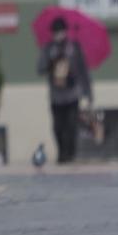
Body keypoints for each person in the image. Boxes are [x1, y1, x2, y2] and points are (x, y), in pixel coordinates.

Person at [38, 16, 92, 163]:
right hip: (56, 96)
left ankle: (70, 153)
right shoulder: (48, 48)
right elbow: (40, 68)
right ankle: (62, 152)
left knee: (71, 125)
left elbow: (83, 71)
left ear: (65, 31)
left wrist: (88, 93)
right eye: (56, 32)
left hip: (72, 94)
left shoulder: (74, 47)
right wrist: (51, 64)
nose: (58, 35)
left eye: (60, 31)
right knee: (57, 127)